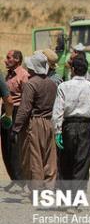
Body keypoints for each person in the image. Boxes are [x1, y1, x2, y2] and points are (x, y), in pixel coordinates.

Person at [52, 55, 90, 193]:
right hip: (86, 127)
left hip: (68, 126)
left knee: (65, 161)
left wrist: (57, 131)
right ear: (86, 70)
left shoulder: (63, 87)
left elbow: (57, 112)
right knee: (82, 162)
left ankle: (65, 196)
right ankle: (75, 199)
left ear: (72, 69)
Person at [12, 52, 58, 193]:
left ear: (32, 68)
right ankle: (50, 187)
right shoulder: (52, 83)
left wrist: (16, 128)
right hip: (50, 122)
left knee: (35, 157)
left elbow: (25, 109)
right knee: (49, 157)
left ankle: (37, 189)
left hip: (35, 123)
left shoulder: (31, 84)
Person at [1, 50, 28, 191]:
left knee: (15, 147)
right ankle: (14, 178)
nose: (5, 60)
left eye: (8, 57)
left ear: (17, 59)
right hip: (6, 111)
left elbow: (27, 98)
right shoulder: (8, 75)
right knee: (5, 146)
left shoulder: (23, 75)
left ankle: (22, 181)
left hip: (17, 111)